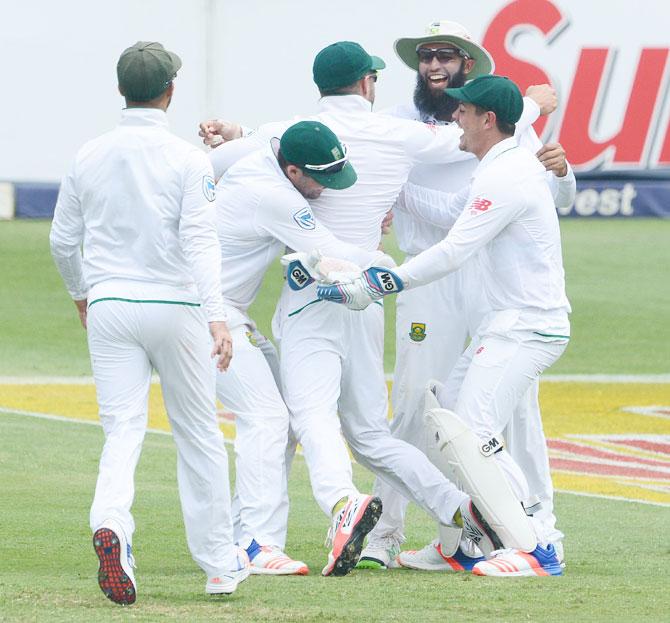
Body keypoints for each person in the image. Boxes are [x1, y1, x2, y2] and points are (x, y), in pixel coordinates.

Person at [199, 42, 555, 576]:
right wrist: (531, 105)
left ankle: (335, 508)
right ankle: (459, 509)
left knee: (308, 414)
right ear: (367, 84)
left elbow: (224, 162)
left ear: (319, 85)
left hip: (315, 293)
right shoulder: (403, 134)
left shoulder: (283, 131)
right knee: (370, 434)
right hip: (370, 299)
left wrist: (232, 135)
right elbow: (479, 132)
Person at [317, 74, 572, 577]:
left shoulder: (506, 176)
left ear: (488, 120)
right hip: (507, 325)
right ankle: (465, 544)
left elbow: (453, 251)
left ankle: (540, 545)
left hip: (527, 327)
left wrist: (375, 285)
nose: (454, 116)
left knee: (474, 430)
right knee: (447, 421)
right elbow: (449, 214)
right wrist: (384, 189)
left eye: (463, 110)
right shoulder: (496, 168)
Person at [49, 41, 246, 603]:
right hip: (176, 306)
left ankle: (111, 522)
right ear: (171, 92)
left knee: (123, 430)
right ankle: (218, 566)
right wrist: (217, 316)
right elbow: (201, 239)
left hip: (110, 304)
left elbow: (63, 240)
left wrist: (82, 293)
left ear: (120, 90)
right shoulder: (188, 157)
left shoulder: (88, 153)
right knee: (199, 435)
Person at [212, 119, 396, 576]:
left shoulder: (258, 154)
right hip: (205, 315)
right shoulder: (272, 196)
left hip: (220, 310)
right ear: (292, 171)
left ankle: (246, 534)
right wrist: (397, 269)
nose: (329, 190)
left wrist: (230, 131)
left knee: (288, 416)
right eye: (322, 180)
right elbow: (328, 248)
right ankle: (256, 543)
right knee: (267, 416)